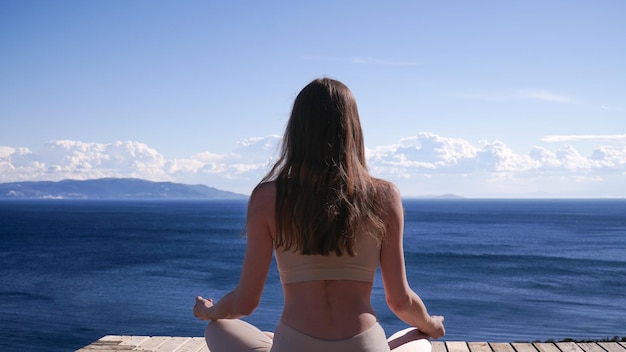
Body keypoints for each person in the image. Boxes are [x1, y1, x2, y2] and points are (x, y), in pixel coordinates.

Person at [193, 78, 445, 352]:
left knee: (219, 326)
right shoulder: (384, 196)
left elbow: (245, 303)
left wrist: (209, 310)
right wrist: (432, 324)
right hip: (364, 346)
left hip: (294, 345)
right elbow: (400, 301)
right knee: (417, 337)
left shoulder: (267, 197)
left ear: (297, 131)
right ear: (351, 129)